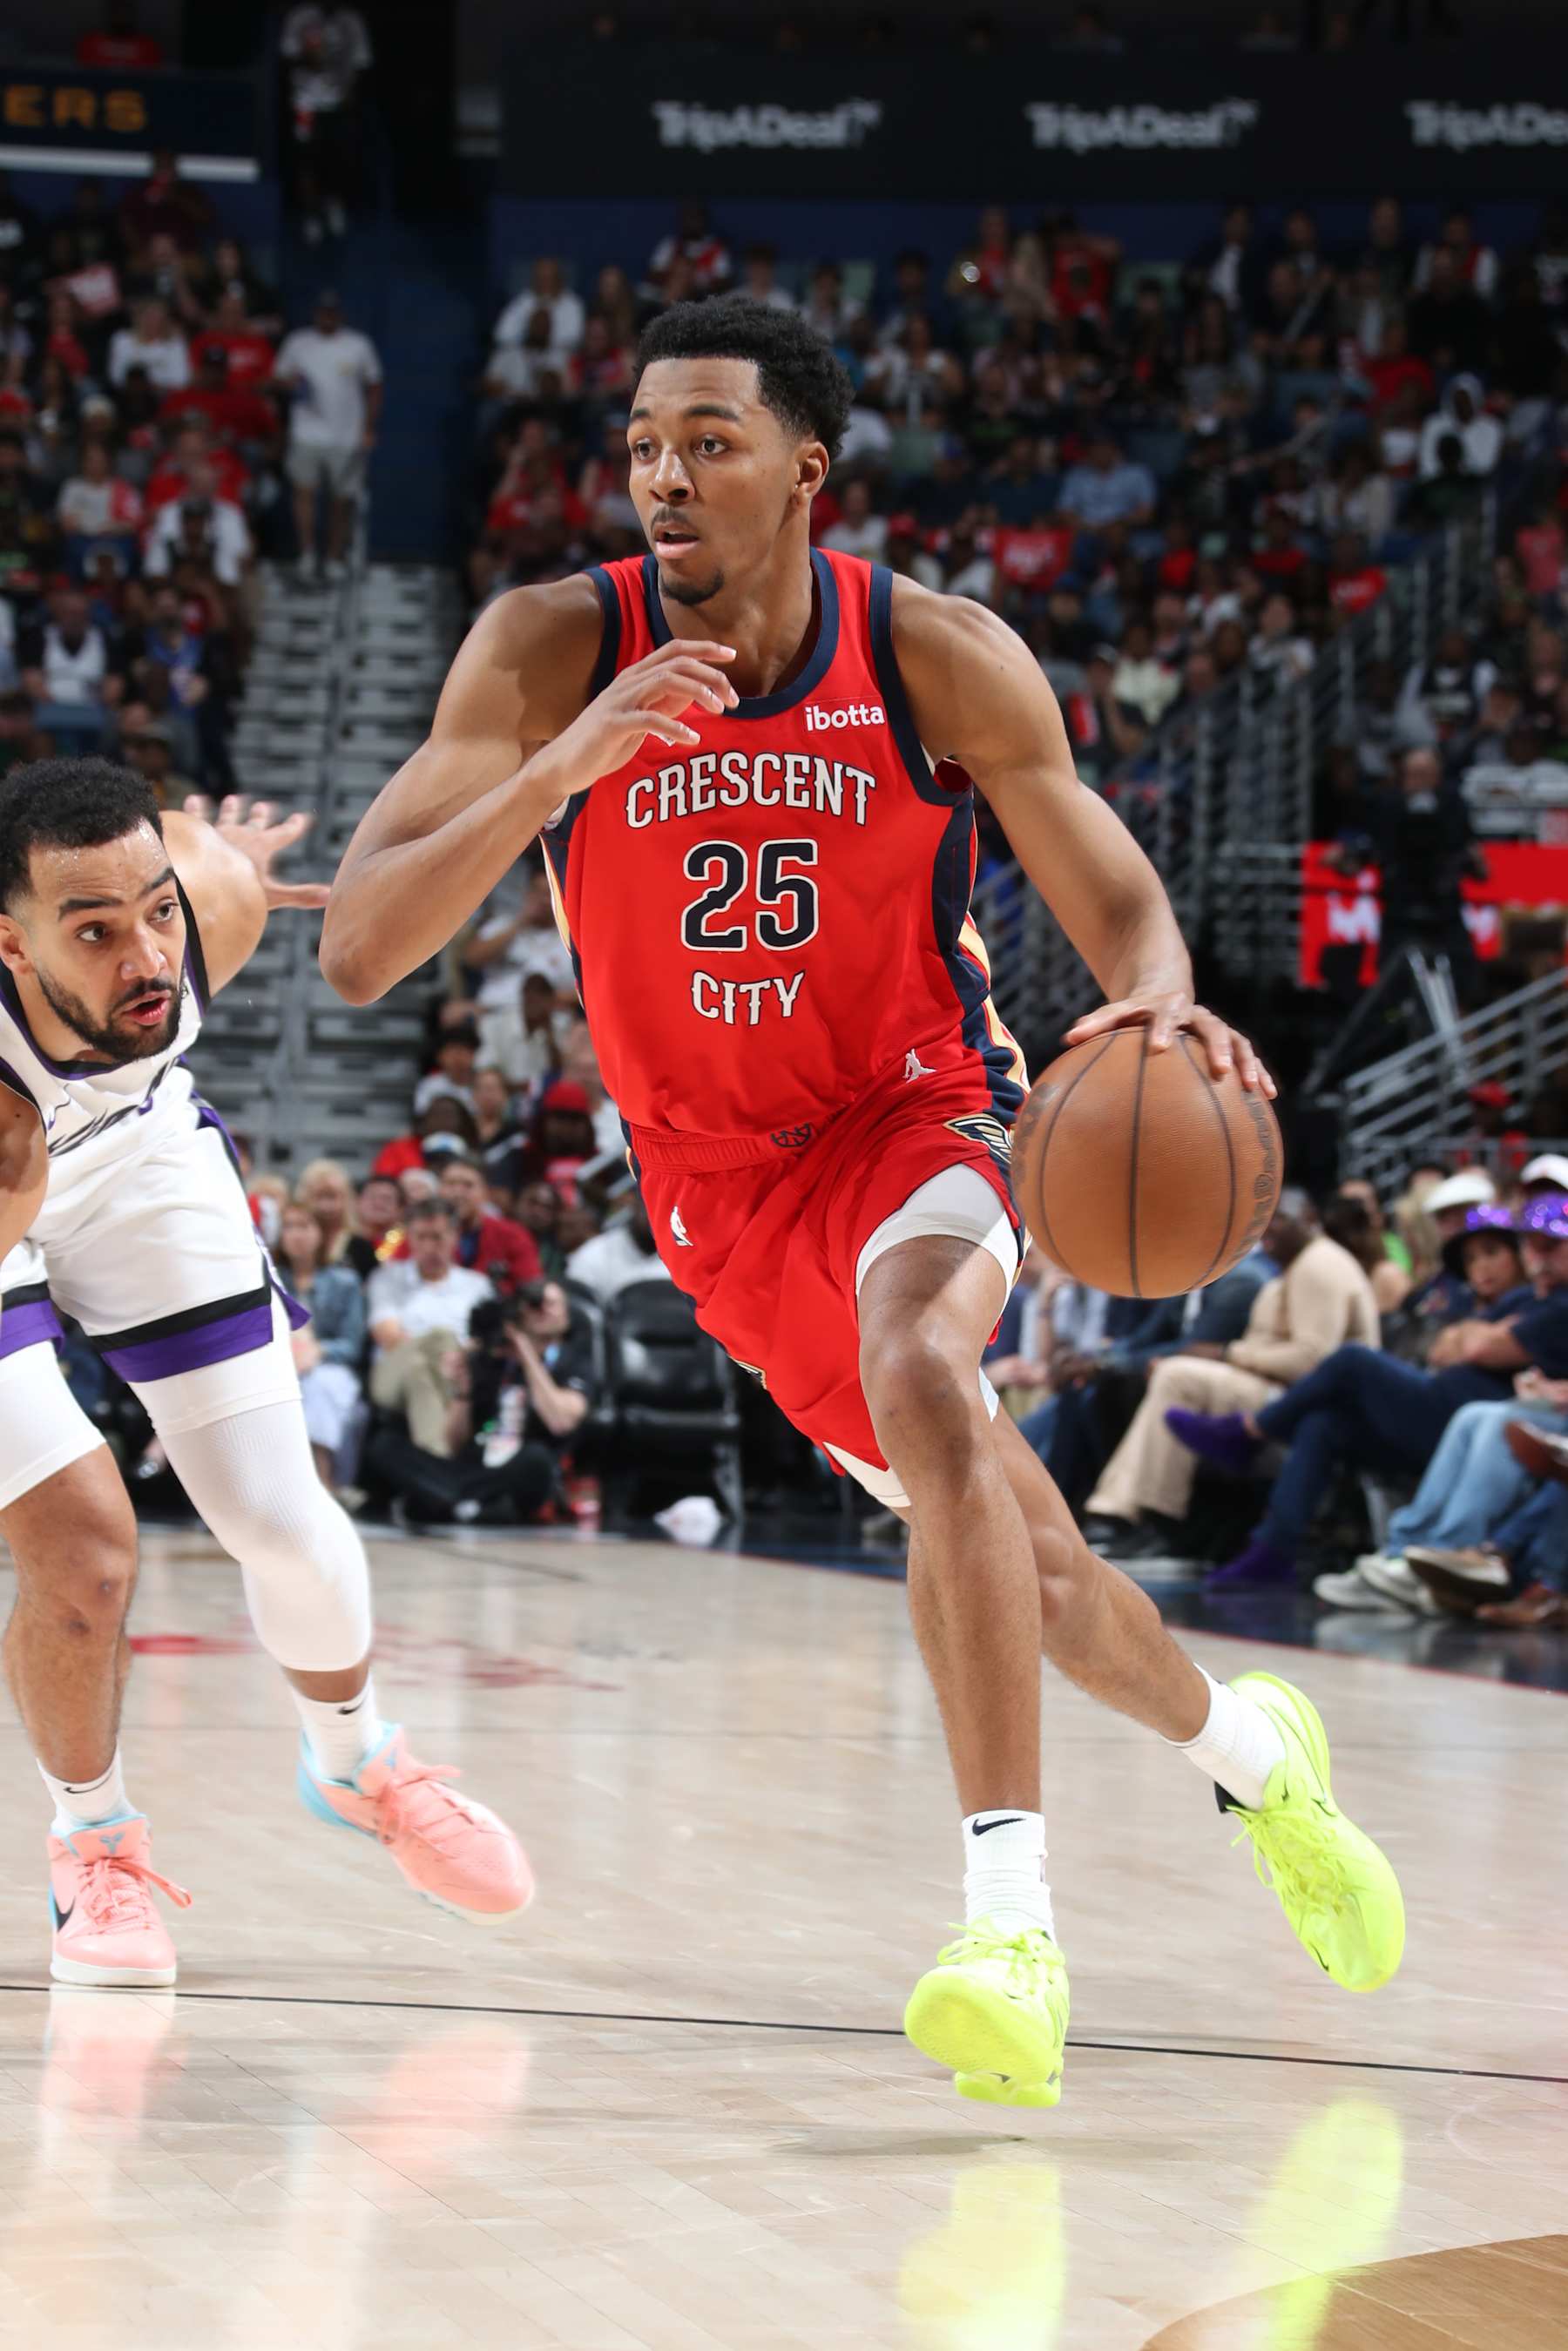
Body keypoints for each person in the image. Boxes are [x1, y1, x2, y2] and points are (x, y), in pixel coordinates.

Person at [321, 298, 1402, 2108]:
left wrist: (1155, 989)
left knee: (923, 1357)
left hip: (923, 1109)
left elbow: (1118, 897)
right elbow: (358, 947)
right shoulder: (543, 646)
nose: (666, 471)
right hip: (719, 1194)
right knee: (1040, 1575)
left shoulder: (936, 656)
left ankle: (1008, 1921)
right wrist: (563, 767)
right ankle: (1255, 1754)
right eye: (646, 441)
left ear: (807, 466)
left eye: (712, 439)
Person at [0, 766, 531, 1989]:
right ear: (12, 943)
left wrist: (211, 860)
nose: (143, 955)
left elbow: (187, 879)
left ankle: (354, 1759)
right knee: (83, 1548)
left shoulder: (212, 908)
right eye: (92, 929)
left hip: (136, 1163)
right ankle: (93, 1846)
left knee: (283, 1521)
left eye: (156, 909)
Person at [1170, 1197, 1568, 1588]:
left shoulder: (1546, 1302)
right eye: (1471, 1259)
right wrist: (1472, 1335)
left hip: (1458, 1418)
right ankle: (1273, 1551)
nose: (1480, 1267)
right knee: (1324, 1424)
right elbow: (1441, 1347)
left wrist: (1471, 1337)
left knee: (1353, 1361)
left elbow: (1476, 1347)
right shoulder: (1495, 1303)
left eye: (1492, 1253)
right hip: (1442, 1416)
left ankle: (1250, 1431)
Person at [1080, 1193, 1380, 1559]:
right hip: (1276, 1389)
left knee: (1178, 1377)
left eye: (1281, 1219)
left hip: (1301, 1400)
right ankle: (1129, 1516)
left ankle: (1144, 1518)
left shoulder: (1319, 1264)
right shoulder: (1302, 1264)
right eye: (1264, 1220)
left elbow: (1311, 1360)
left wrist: (1227, 1354)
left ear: (1310, 1216)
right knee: (1163, 1378)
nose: (1268, 1228)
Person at [367, 1278, 596, 1527]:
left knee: (537, 1461)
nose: (543, 1310)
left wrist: (527, 1354)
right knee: (386, 1444)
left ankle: (445, 1500)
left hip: (520, 1467)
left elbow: (561, 1421)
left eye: (552, 1303)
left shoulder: (572, 1358)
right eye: (535, 1305)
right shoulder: (493, 1358)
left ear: (568, 1314)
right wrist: (462, 1392)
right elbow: (454, 1444)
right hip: (476, 1464)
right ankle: (466, 1504)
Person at [364, 1196, 492, 1456]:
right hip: (391, 1374)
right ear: (409, 1237)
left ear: (455, 1236)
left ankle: (437, 1463)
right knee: (441, 1338)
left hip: (455, 1373)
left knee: (418, 1372)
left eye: (437, 1237)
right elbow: (388, 1336)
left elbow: (485, 1341)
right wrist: (449, 1352)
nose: (429, 1246)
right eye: (420, 1237)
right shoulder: (388, 1277)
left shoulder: (477, 1285)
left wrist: (458, 1359)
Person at [274, 291, 382, 582]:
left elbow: (374, 387)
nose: (327, 316)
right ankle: (307, 554)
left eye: (332, 312)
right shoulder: (298, 343)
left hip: (345, 436)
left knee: (341, 500)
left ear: (340, 314)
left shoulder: (358, 345)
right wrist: (292, 384)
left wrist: (369, 428)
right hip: (306, 433)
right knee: (304, 492)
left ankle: (334, 556)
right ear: (315, 313)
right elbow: (279, 379)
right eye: (322, 311)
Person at [275, 1198, 366, 1488]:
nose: (297, 1235)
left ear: (321, 1234)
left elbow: (352, 1346)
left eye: (304, 1226)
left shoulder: (345, 1281)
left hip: (328, 1366)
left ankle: (322, 1477)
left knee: (320, 1386)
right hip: (278, 1365)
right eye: (289, 1227)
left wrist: (318, 1351)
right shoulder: (268, 1281)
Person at [565, 1193, 672, 1304]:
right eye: (651, 1205)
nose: (656, 1215)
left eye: (664, 1208)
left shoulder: (686, 1254)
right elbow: (578, 1310)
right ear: (634, 1204)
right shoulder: (591, 1256)